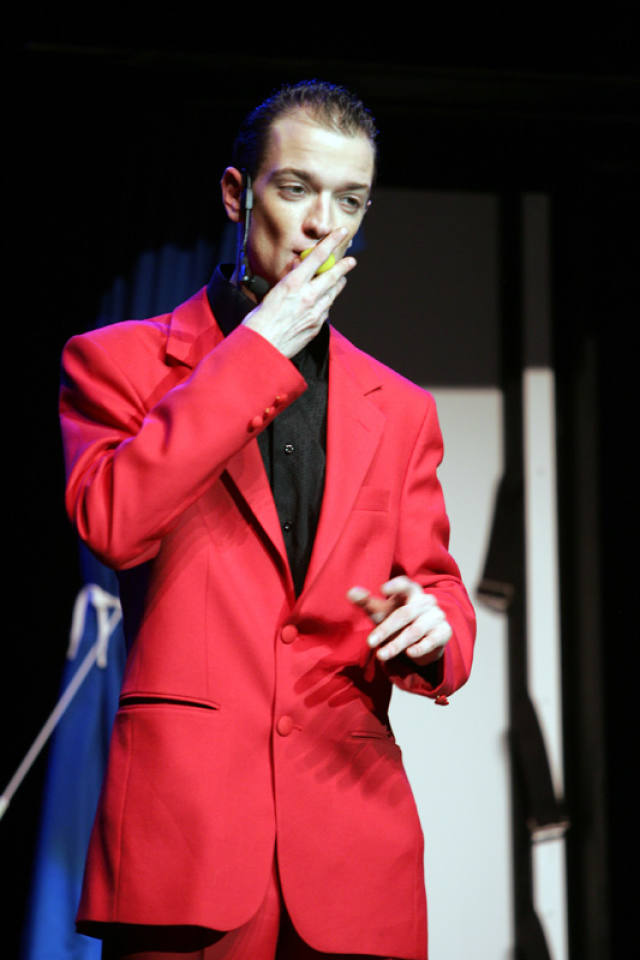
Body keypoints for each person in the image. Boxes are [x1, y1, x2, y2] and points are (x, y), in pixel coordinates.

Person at [59, 81, 476, 960]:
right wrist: (253, 354)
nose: (323, 223)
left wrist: (436, 628)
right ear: (235, 194)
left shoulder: (398, 407)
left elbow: (437, 587)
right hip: (186, 846)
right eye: (296, 189)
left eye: (350, 201)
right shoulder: (120, 362)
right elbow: (113, 520)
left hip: (353, 845)